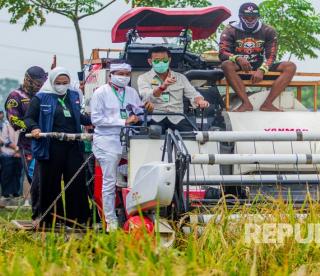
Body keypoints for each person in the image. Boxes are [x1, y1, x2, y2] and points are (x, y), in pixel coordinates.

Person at [25, 67, 91, 227]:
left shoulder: (74, 96)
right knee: (50, 183)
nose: (62, 85)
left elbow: (79, 117)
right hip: (50, 145)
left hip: (73, 145)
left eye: (65, 83)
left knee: (76, 182)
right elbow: (29, 118)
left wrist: (93, 120)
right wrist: (34, 128)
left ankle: (78, 219)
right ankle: (51, 219)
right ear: (52, 82)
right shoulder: (41, 98)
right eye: (58, 83)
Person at [91, 63, 143, 232]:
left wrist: (143, 110)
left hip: (129, 140)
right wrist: (122, 121)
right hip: (107, 141)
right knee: (109, 182)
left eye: (127, 73)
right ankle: (110, 220)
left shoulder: (132, 92)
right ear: (111, 75)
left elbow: (138, 113)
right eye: (120, 73)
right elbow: (96, 120)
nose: (124, 76)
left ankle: (132, 215)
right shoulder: (100, 93)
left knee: (135, 178)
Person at [219, 2, 297, 112]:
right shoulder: (230, 30)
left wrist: (262, 69)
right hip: (239, 71)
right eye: (247, 17)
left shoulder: (268, 30)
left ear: (258, 17)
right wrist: (238, 58)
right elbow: (223, 52)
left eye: (253, 17)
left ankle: (268, 104)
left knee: (290, 66)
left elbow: (271, 55)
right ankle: (246, 103)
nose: (250, 20)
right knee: (226, 65)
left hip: (260, 70)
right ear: (240, 17)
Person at [5, 66, 48, 218]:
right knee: (35, 179)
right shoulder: (15, 96)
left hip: (48, 141)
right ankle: (38, 212)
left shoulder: (45, 94)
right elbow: (14, 120)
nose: (40, 86)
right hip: (29, 145)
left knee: (49, 180)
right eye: (37, 83)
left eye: (42, 83)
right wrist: (32, 126)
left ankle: (50, 212)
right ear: (27, 80)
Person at [138, 46, 209, 132]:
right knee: (151, 136)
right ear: (150, 61)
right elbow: (146, 95)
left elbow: (193, 93)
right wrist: (162, 87)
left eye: (164, 60)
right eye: (157, 61)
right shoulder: (143, 78)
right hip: (156, 117)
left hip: (178, 117)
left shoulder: (180, 77)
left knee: (192, 136)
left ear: (169, 60)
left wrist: (200, 101)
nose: (161, 63)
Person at [0, 120, 22, 204]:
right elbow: (5, 140)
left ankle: (16, 193)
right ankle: (5, 194)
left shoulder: (21, 123)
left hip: (19, 154)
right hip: (7, 153)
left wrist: (19, 150)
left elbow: (23, 137)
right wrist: (16, 148)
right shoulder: (5, 124)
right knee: (7, 174)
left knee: (17, 174)